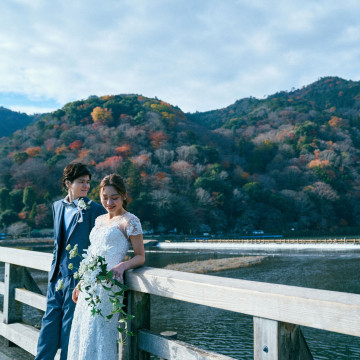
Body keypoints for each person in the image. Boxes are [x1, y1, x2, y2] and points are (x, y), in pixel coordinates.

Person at [67, 173, 145, 360]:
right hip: (89, 285)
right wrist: (82, 282)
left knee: (101, 333)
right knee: (82, 330)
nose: (109, 202)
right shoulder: (99, 220)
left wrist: (122, 266)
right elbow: (93, 253)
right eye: (105, 197)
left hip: (109, 285)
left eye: (114, 198)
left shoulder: (130, 221)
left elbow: (140, 256)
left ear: (124, 196)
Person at [35, 163, 106, 360]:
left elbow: (97, 247)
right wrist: (53, 271)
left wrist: (87, 277)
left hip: (78, 278)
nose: (86, 186)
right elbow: (59, 242)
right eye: (81, 182)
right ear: (68, 183)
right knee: (49, 323)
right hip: (56, 276)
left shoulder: (96, 210)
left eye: (88, 182)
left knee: (70, 327)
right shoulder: (57, 206)